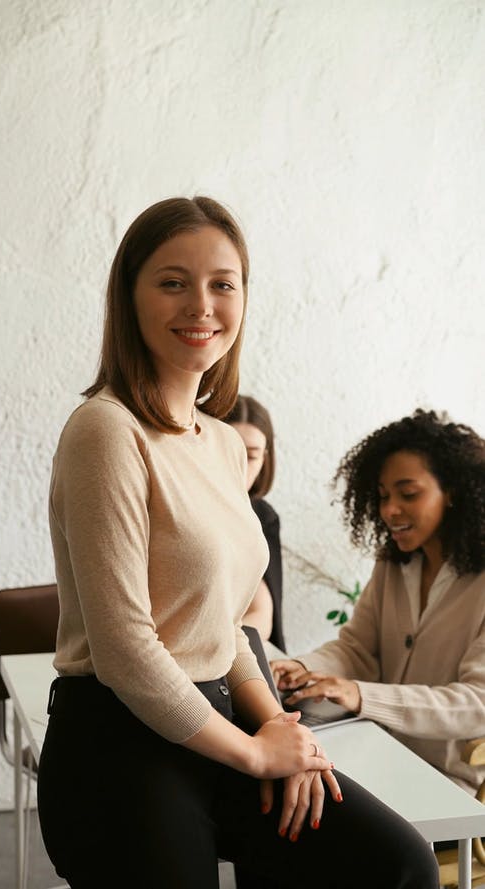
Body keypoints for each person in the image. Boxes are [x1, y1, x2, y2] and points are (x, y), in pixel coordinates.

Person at [37, 197, 439, 889]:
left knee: (399, 863)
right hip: (120, 745)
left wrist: (286, 736)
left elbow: (224, 629)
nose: (201, 304)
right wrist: (254, 757)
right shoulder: (106, 430)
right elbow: (127, 651)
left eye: (222, 283)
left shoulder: (222, 442)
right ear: (129, 296)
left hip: (219, 723)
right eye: (172, 281)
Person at [273, 408, 485, 799]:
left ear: (453, 490)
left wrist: (362, 695)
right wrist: (304, 668)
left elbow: (477, 703)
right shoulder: (394, 564)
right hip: (370, 750)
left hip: (443, 783)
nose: (389, 510)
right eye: (384, 496)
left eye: (408, 494)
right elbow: (357, 647)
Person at [225, 394, 286, 651]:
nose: (240, 467)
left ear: (265, 459)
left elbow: (262, 616)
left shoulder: (262, 516)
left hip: (238, 651)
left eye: (250, 456)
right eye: (230, 452)